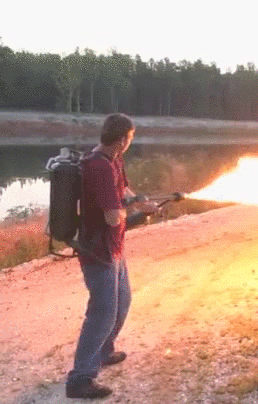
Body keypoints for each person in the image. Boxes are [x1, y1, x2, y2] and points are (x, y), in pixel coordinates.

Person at [65, 113, 158, 399]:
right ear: (121, 139)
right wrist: (137, 212)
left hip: (114, 247)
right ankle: (80, 379)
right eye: (130, 137)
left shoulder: (114, 160)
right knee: (102, 312)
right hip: (98, 251)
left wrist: (138, 200)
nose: (130, 142)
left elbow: (123, 191)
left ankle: (103, 351)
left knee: (122, 302)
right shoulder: (99, 167)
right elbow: (112, 217)